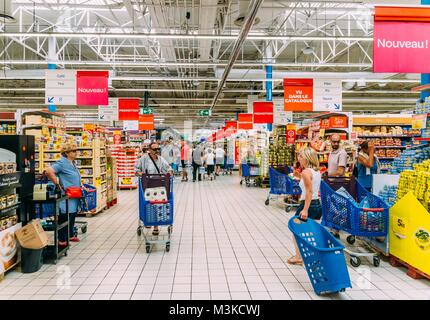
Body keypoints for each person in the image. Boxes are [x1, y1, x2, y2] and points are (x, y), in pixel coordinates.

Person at [288, 147, 322, 265]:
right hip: (317, 204)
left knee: (296, 229)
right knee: (312, 231)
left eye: (301, 156)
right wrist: (299, 177)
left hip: (308, 204)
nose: (299, 158)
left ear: (307, 158)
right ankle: (314, 255)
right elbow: (312, 186)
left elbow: (309, 191)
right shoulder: (316, 171)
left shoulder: (306, 172)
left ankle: (299, 257)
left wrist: (305, 209)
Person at [45, 142, 83, 245]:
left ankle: (70, 235)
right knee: (65, 215)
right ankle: (62, 239)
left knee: (73, 214)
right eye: (73, 151)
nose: (76, 153)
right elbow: (48, 171)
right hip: (67, 195)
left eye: (76, 151)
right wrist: (57, 183)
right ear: (66, 153)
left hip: (74, 194)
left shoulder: (72, 163)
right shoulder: (62, 163)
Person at [135, 142, 173, 236]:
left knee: (156, 204)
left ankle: (155, 226)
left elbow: (168, 167)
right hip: (146, 185)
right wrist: (140, 174)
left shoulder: (161, 159)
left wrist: (170, 171)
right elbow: (136, 169)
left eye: (158, 149)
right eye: (155, 149)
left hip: (158, 185)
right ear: (150, 150)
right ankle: (147, 220)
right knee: (148, 203)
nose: (157, 151)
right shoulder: (143, 159)